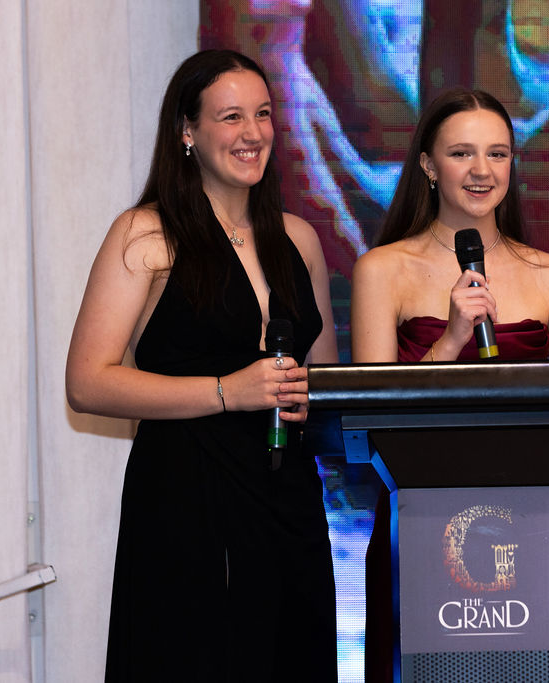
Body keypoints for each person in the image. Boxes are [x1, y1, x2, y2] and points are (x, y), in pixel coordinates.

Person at [65, 49, 338, 681]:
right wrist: (226, 391)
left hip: (288, 496)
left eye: (263, 114)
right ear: (187, 131)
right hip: (186, 496)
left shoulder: (299, 239)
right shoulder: (145, 234)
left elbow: (322, 384)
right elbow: (87, 381)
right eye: (231, 116)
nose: (252, 133)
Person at [350, 87, 549, 682]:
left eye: (498, 154)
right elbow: (371, 418)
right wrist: (451, 338)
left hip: (531, 527)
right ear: (429, 166)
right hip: (419, 523)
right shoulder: (383, 270)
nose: (482, 170)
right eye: (462, 153)